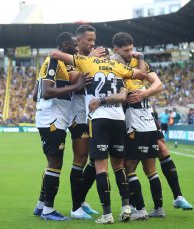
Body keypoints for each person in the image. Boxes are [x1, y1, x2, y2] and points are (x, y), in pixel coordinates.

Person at [50, 46, 148, 224]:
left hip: (98, 119)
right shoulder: (118, 67)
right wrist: (140, 57)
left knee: (101, 168)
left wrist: (84, 56)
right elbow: (142, 74)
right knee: (119, 166)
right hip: (118, 120)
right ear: (109, 57)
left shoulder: (87, 61)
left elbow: (54, 54)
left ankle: (107, 215)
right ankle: (126, 207)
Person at [112, 32, 193, 213]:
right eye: (126, 50)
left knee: (161, 151)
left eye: (132, 49)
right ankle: (134, 205)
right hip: (126, 117)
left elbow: (158, 84)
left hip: (146, 114)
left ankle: (177, 197)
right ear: (116, 50)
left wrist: (145, 93)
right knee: (128, 163)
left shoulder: (140, 63)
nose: (130, 53)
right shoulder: (112, 65)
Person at [33, 32, 93, 221]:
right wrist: (75, 87)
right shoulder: (55, 62)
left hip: (51, 117)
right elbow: (46, 92)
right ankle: (48, 211)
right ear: (65, 46)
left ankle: (41, 205)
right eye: (75, 45)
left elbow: (35, 94)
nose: (77, 48)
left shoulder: (50, 63)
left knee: (54, 162)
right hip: (52, 118)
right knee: (55, 163)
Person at [67, 25, 106, 218]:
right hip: (79, 116)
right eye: (89, 40)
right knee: (81, 158)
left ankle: (80, 200)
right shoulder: (72, 59)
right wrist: (91, 60)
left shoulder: (94, 58)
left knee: (95, 158)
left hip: (95, 115)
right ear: (79, 41)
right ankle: (75, 209)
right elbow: (74, 79)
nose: (93, 43)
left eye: (94, 40)